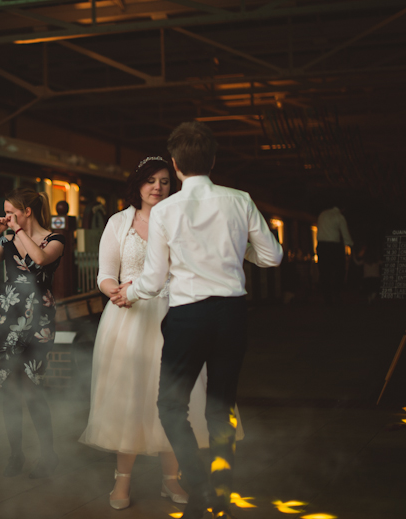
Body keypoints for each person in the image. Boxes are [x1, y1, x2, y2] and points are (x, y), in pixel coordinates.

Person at [113, 122, 283, 519]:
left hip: (189, 317)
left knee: (171, 406)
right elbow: (272, 257)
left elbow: (154, 280)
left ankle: (200, 487)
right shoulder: (240, 200)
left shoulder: (167, 210)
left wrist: (130, 293)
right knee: (221, 408)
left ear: (174, 164)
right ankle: (220, 496)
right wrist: (235, 255)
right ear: (213, 160)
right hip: (233, 314)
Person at [79, 157, 243, 509]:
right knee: (130, 398)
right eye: (150, 180)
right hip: (128, 319)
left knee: (175, 400)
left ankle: (173, 479)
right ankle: (121, 483)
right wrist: (115, 292)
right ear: (137, 184)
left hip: (179, 315)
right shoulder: (118, 222)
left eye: (165, 181)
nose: (157, 187)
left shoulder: (182, 217)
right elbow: (104, 274)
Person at [0, 188, 65, 479]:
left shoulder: (55, 240)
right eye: (5, 211)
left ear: (27, 212)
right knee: (9, 389)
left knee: (33, 388)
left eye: (11, 211)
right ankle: (16, 454)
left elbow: (38, 259)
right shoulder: (8, 238)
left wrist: (17, 232)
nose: (7, 216)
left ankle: (49, 455)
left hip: (38, 322)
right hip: (7, 317)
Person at [316, 204, 353, 303]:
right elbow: (345, 234)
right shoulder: (339, 217)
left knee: (324, 273)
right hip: (334, 246)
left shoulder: (322, 214)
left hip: (322, 245)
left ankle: (327, 297)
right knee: (340, 270)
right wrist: (351, 244)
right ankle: (336, 293)